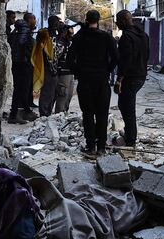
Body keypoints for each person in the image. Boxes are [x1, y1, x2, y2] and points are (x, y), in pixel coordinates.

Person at [67, 9, 118, 156]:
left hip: (85, 81)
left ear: (86, 19)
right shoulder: (106, 37)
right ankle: (101, 147)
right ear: (99, 20)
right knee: (102, 114)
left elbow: (70, 59)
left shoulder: (79, 37)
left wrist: (78, 72)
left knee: (88, 114)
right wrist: (107, 70)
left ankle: (91, 147)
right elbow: (115, 57)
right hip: (102, 81)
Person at [115, 10, 150, 147]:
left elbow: (125, 60)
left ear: (123, 21)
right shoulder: (143, 35)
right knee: (126, 105)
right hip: (141, 75)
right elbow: (147, 55)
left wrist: (119, 79)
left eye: (118, 22)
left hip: (130, 77)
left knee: (127, 107)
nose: (117, 24)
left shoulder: (126, 37)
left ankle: (130, 140)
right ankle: (129, 133)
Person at [8, 12, 37, 124]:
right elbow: (21, 42)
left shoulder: (19, 29)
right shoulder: (24, 29)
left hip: (18, 63)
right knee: (22, 89)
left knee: (20, 89)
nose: (35, 22)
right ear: (30, 20)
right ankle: (18, 114)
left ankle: (21, 112)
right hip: (23, 63)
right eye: (34, 19)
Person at [35, 16, 61, 116]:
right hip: (47, 67)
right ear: (54, 24)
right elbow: (51, 52)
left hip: (53, 68)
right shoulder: (46, 34)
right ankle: (44, 113)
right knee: (47, 92)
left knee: (52, 93)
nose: (59, 25)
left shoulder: (54, 34)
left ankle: (47, 112)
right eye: (58, 23)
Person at [54, 23, 75, 113]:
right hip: (62, 72)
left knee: (69, 95)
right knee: (63, 94)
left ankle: (64, 113)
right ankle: (59, 114)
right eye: (69, 33)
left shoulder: (69, 41)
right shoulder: (59, 41)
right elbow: (57, 54)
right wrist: (64, 39)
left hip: (70, 72)